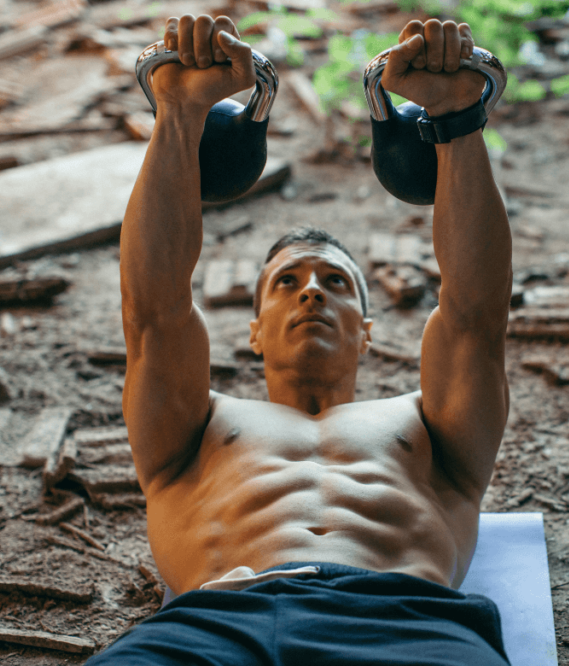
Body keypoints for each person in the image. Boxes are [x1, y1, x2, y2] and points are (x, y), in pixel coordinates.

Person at [91, 13, 512, 665]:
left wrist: (457, 117)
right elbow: (153, 307)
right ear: (254, 331)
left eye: (337, 283)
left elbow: (475, 312)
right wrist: (178, 111)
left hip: (403, 624)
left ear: (367, 333)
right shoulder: (198, 427)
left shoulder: (428, 426)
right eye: (285, 282)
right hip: (215, 625)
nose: (312, 290)